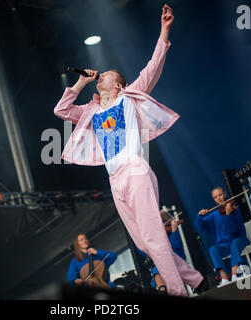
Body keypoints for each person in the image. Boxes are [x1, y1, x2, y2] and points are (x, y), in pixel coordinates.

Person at [54, 4, 203, 296]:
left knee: (153, 236)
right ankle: (195, 279)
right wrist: (81, 82)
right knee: (143, 244)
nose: (102, 76)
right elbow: (60, 110)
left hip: (135, 170)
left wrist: (165, 30)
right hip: (115, 179)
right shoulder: (90, 110)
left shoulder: (129, 98)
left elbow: (153, 65)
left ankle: (179, 291)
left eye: (106, 74)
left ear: (119, 84)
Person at [196, 187, 250, 286]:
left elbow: (236, 230)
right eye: (216, 197)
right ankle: (224, 278)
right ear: (214, 200)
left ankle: (235, 275)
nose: (219, 198)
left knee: (234, 243)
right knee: (213, 249)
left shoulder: (235, 209)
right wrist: (200, 216)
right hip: (224, 245)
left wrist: (228, 215)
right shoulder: (214, 215)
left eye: (220, 195)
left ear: (224, 194)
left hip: (238, 240)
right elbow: (200, 226)